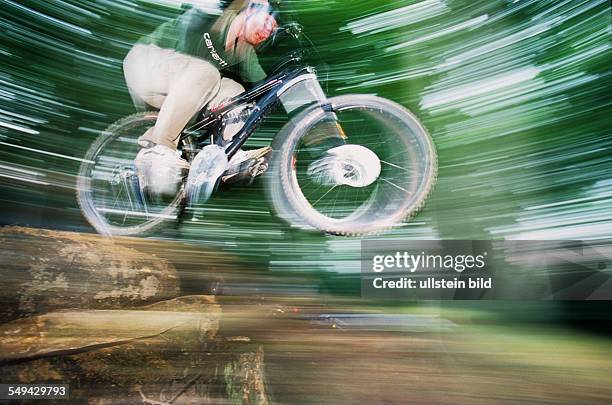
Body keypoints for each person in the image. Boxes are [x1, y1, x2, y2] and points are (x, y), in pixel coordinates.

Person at [123, 0, 278, 194]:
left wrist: (296, 139)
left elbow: (271, 88)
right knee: (207, 72)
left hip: (183, 92)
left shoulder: (245, 54)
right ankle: (158, 148)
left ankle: (228, 154)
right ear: (250, 9)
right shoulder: (211, 18)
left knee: (237, 93)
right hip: (147, 65)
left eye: (271, 32)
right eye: (265, 23)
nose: (266, 33)